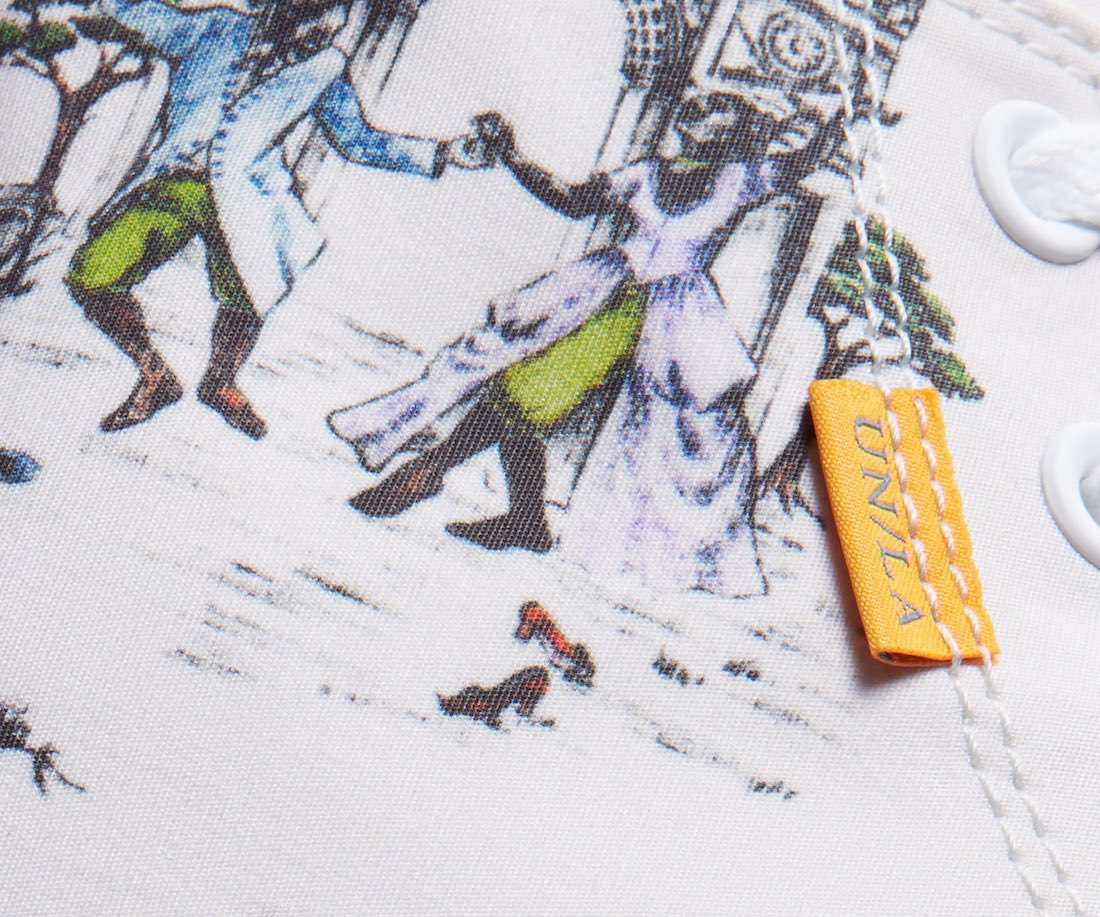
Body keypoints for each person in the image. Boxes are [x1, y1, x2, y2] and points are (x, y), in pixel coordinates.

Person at [328, 93, 835, 596]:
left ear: (730, 132)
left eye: (711, 112)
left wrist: (838, 125)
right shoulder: (647, 173)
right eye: (695, 108)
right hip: (599, 289)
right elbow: (573, 201)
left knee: (526, 391)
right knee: (520, 390)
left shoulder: (737, 181)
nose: (694, 111)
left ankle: (425, 474)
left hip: (658, 317)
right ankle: (525, 521)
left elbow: (801, 163)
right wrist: (511, 155)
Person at [64, 0, 488, 439]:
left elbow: (358, 140)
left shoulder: (324, 68)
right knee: (93, 275)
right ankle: (155, 375)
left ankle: (220, 381)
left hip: (250, 196)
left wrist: (446, 153)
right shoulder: (215, 28)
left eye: (331, 14)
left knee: (251, 289)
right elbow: (147, 18)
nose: (324, 24)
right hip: (175, 182)